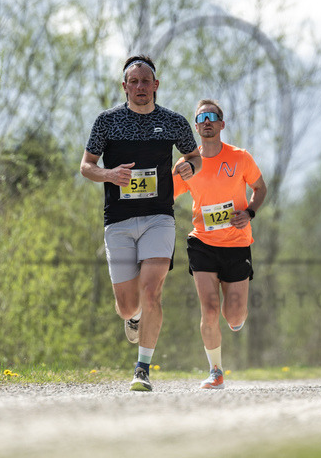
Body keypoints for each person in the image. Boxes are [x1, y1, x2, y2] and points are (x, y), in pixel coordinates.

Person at [81, 55, 202, 392]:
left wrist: (190, 167)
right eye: (133, 82)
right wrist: (109, 174)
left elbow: (195, 157)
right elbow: (85, 166)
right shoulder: (106, 122)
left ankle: (142, 369)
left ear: (155, 85)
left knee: (152, 292)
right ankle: (133, 319)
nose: (139, 87)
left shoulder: (174, 122)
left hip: (158, 219)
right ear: (124, 87)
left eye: (145, 81)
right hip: (118, 221)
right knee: (127, 306)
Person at [173, 99, 267, 390]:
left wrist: (249, 212)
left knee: (234, 313)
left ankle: (236, 317)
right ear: (196, 126)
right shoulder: (187, 165)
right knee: (210, 309)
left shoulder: (240, 158)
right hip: (202, 242)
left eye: (213, 117)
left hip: (237, 243)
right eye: (202, 118)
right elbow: (167, 195)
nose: (208, 121)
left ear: (222, 124)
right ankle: (216, 371)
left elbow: (260, 188)